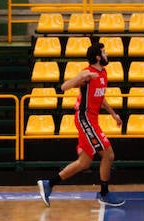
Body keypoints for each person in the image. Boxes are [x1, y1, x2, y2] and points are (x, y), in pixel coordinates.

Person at [37, 42, 125, 208]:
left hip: (92, 119)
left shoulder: (103, 73)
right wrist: (80, 78)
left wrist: (113, 114)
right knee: (108, 154)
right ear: (98, 57)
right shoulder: (87, 73)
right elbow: (64, 87)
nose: (107, 54)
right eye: (104, 52)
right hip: (85, 119)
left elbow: (100, 97)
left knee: (84, 163)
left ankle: (48, 184)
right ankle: (104, 193)